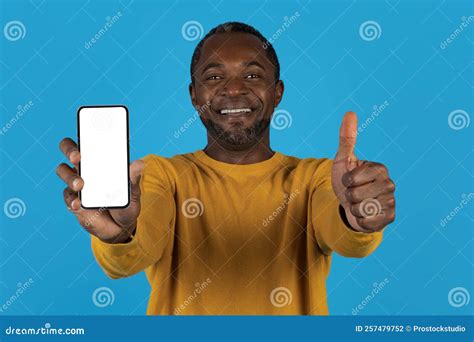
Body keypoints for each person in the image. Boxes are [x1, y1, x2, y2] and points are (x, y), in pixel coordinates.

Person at [56, 22, 396, 315]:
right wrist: (120, 232)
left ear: (277, 92)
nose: (234, 89)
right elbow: (130, 260)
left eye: (252, 74)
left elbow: (350, 241)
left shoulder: (316, 178)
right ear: (194, 95)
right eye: (214, 76)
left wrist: (358, 215)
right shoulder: (161, 175)